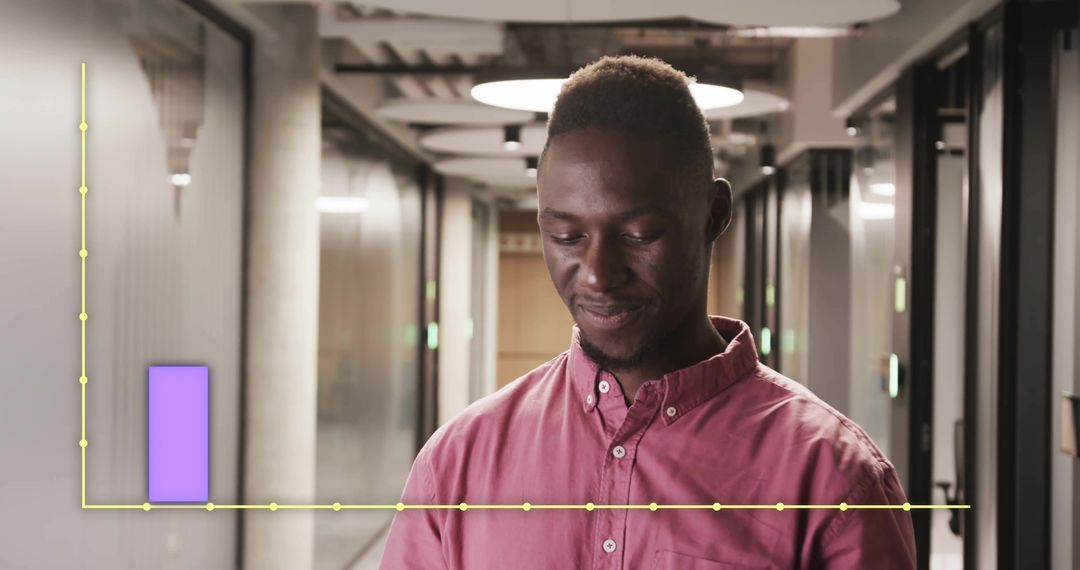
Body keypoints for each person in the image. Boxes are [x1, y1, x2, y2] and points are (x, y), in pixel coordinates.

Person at [380, 55, 916, 569]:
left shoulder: (835, 481)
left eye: (637, 235)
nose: (596, 273)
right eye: (566, 236)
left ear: (714, 214)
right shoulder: (457, 463)